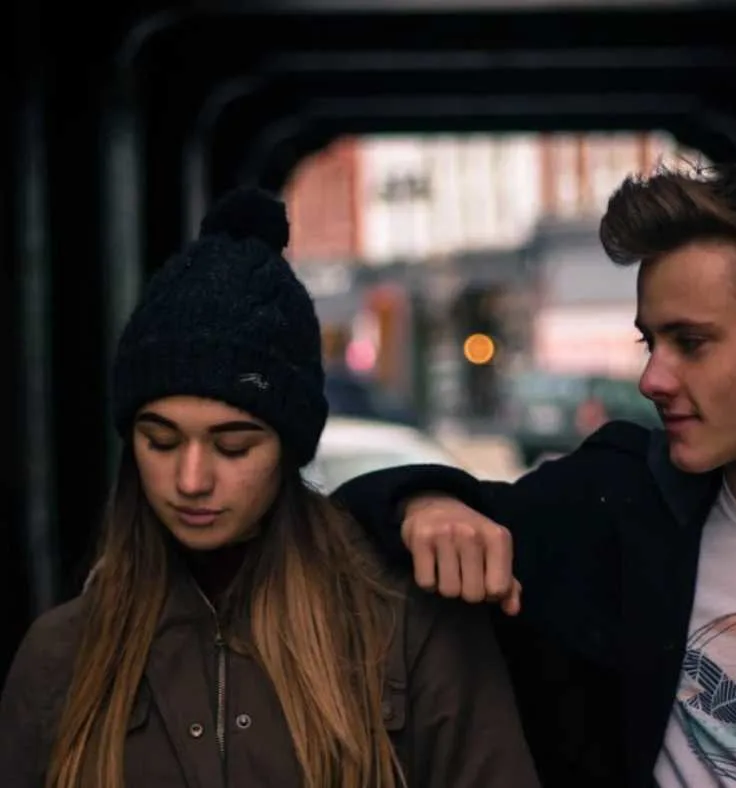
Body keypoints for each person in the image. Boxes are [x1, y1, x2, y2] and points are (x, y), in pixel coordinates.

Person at [332, 162, 736, 787]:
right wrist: (425, 503)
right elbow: (338, 521)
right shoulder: (620, 500)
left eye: (692, 343)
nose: (653, 379)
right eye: (650, 342)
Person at [0, 187, 541, 788]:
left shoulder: (406, 628)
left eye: (234, 446)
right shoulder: (60, 655)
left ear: (289, 448)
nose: (192, 480)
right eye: (161, 440)